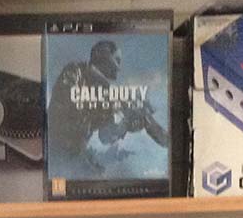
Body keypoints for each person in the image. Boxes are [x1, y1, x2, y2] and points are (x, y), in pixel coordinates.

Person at [47, 40, 166, 171]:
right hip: (55, 151)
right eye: (117, 60)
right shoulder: (75, 71)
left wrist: (126, 124)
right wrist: (114, 104)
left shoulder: (105, 92)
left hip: (74, 153)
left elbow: (105, 137)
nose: (119, 68)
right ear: (104, 56)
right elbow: (68, 106)